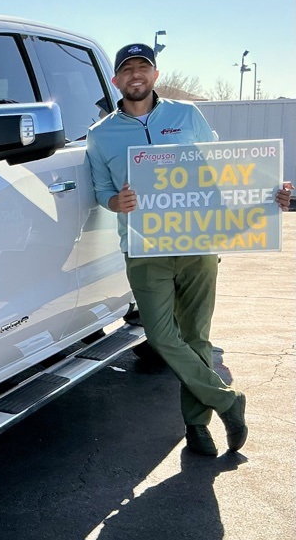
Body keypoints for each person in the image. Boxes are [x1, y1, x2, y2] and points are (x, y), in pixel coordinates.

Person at [86, 42, 292, 456]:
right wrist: (116, 202)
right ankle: (227, 400)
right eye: (127, 70)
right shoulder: (100, 134)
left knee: (197, 335)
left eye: (143, 67)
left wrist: (269, 193)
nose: (136, 75)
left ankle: (197, 427)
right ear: (116, 80)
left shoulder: (187, 115)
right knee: (162, 336)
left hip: (196, 241)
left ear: (155, 75)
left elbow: (222, 168)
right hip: (144, 250)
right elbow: (101, 192)